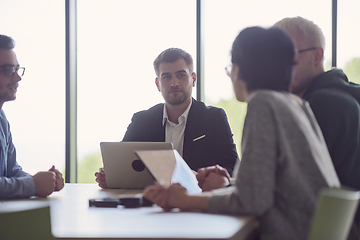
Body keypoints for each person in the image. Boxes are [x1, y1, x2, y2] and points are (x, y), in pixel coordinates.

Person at [144, 26, 340, 240]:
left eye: (230, 69)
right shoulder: (297, 103)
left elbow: (252, 201)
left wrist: (184, 199)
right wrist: (230, 184)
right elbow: (267, 187)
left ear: (238, 70)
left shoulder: (262, 103)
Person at [95, 48, 238, 189]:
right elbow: (122, 164)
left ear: (193, 79)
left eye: (181, 75)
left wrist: (203, 178)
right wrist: (109, 176)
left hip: (198, 202)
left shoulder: (214, 118)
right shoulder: (142, 120)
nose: (174, 83)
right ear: (158, 84)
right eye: (166, 77)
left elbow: (232, 167)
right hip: (150, 204)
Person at [274, 17, 360, 225]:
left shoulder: (322, 105)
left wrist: (224, 187)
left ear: (317, 55)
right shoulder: (341, 97)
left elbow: (289, 187)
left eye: (289, 55)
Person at [0, 34, 64, 199]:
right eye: (8, 70)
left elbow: (12, 171)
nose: (17, 77)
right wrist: (33, 185)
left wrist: (46, 181)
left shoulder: (2, 120)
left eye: (17, 69)